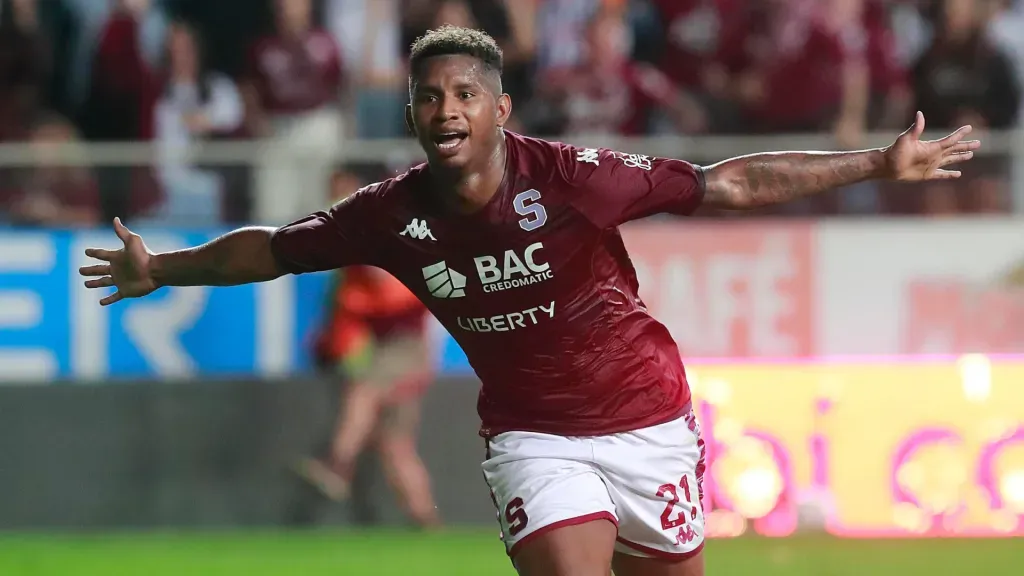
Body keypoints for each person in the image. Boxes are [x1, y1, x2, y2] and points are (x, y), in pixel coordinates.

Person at [79, 25, 979, 576]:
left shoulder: (577, 180)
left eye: (464, 93)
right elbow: (275, 252)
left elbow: (727, 186)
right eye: (429, 98)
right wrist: (164, 268)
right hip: (532, 437)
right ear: (412, 117)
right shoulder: (389, 215)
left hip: (649, 421)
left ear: (500, 109)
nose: (446, 110)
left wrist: (874, 162)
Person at [296, 168, 441, 529]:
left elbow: (393, 295)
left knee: (361, 394)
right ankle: (426, 522)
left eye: (343, 192)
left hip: (404, 348)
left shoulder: (385, 232)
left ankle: (337, 467)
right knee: (395, 445)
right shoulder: (354, 246)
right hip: (390, 348)